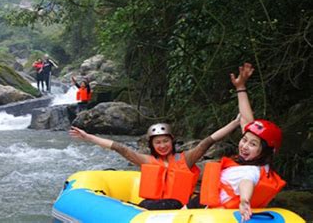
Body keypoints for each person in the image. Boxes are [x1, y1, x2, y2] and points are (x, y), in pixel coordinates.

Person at [69, 117, 240, 210]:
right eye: (158, 142)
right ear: (152, 145)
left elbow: (207, 142)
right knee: (150, 205)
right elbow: (119, 148)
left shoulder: (185, 159)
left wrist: (234, 123)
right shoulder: (146, 161)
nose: (162, 145)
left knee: (176, 203)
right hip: (152, 209)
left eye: (165, 141)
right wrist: (88, 137)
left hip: (180, 209)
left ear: (172, 142)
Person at [188, 63, 286, 222]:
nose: (245, 146)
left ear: (266, 151)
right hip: (202, 205)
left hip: (210, 214)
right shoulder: (258, 164)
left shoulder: (251, 172)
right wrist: (241, 88)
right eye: (244, 140)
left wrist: (244, 201)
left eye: (253, 144)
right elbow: (247, 121)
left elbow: (247, 183)